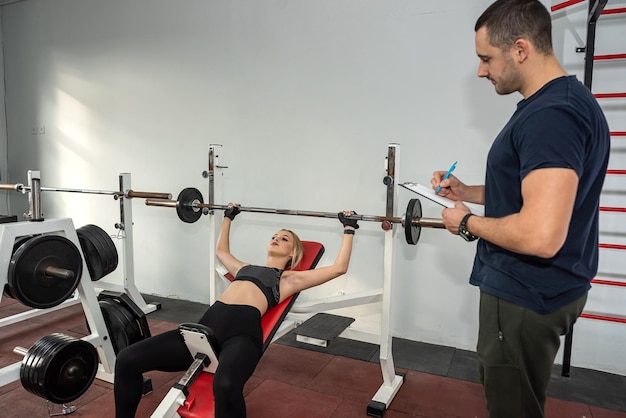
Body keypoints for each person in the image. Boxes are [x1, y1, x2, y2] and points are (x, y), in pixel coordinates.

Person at [431, 1, 610, 417]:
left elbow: (540, 236)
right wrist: (470, 191)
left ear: (521, 49)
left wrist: (466, 224)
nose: (480, 71)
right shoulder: (567, 101)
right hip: (549, 289)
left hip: (526, 294)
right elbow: (538, 200)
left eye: (485, 58)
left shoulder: (552, 116)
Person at [114, 205, 359, 418]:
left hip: (240, 337)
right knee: (126, 359)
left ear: (293, 253)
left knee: (226, 385)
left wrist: (349, 229)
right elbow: (222, 252)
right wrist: (229, 217)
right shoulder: (244, 267)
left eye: (284, 239)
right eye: (274, 236)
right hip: (202, 332)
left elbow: (339, 268)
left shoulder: (288, 279)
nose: (276, 239)